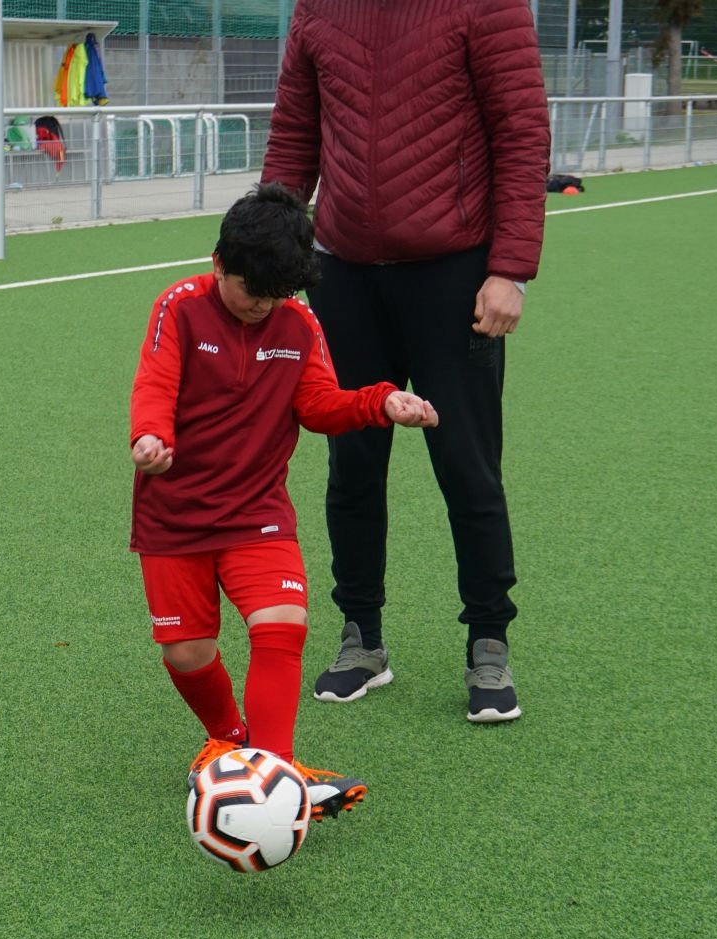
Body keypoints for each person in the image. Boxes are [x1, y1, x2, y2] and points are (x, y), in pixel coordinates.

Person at [260, 0, 551, 722]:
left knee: (467, 466)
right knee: (352, 465)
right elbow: (295, 132)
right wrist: (265, 251)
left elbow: (521, 132)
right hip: (344, 275)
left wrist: (510, 270)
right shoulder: (317, 8)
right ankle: (361, 637)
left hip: (455, 273)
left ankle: (488, 641)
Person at [130, 183, 438, 821]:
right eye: (252, 292)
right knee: (186, 653)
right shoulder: (179, 308)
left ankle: (275, 771)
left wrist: (380, 401)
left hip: (256, 512)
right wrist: (151, 435)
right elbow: (155, 381)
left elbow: (318, 404)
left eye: (278, 295)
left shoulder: (298, 323)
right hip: (175, 516)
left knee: (284, 624)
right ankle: (229, 740)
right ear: (219, 263)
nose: (262, 306)